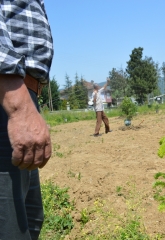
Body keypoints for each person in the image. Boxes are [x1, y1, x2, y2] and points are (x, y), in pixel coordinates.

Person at [0, 1, 54, 239]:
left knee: (29, 221)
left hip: (20, 91)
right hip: (8, 93)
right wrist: (18, 104)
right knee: (11, 228)